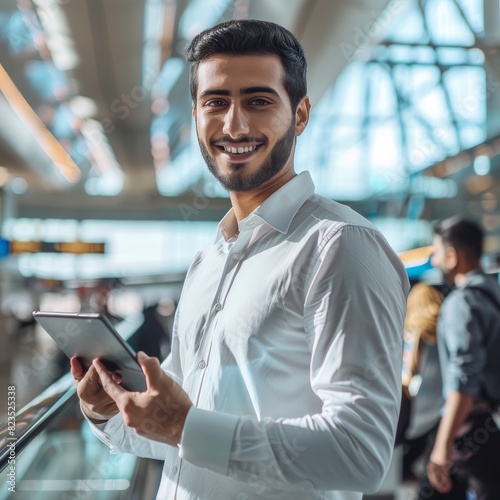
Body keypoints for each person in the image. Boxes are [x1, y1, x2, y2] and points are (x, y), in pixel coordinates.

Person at [70, 19, 409, 499]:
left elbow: (359, 453)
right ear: (195, 116)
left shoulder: (340, 246)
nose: (235, 125)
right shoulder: (209, 261)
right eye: (216, 102)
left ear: (302, 114)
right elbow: (171, 437)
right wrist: (109, 409)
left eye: (259, 101)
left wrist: (186, 427)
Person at [419, 216, 500, 499]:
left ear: (452, 256)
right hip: (490, 426)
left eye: (437, 251)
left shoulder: (460, 303)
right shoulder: (493, 293)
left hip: (467, 428)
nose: (434, 259)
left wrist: (443, 445)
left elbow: (463, 380)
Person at [396, 283, 444, 479]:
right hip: (438, 411)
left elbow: (407, 374)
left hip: (413, 412)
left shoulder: (413, 331)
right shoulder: (443, 329)